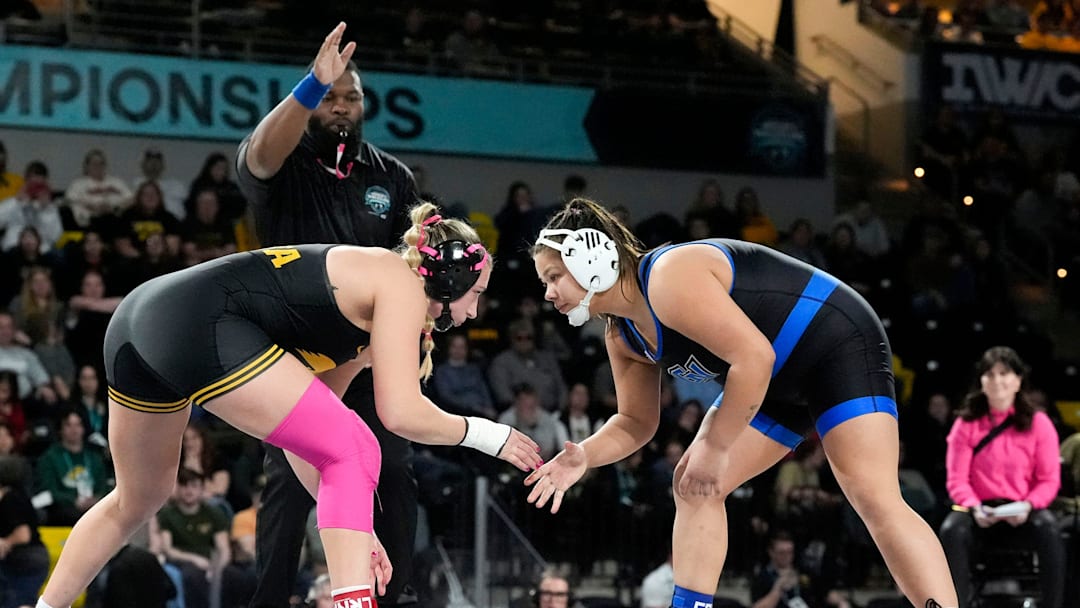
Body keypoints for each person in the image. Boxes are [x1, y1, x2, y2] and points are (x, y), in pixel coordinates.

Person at [34, 204, 542, 608]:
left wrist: (355, 528)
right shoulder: (400, 281)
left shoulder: (367, 317)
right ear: (448, 279)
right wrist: (489, 435)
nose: (475, 311)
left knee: (139, 497)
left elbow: (308, 442)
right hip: (196, 323)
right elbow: (401, 414)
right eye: (475, 293)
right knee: (358, 445)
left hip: (140, 321)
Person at [523, 198, 958, 608]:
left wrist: (714, 448)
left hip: (834, 342)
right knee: (692, 484)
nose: (547, 293)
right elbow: (636, 421)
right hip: (773, 378)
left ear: (589, 257)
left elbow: (754, 358)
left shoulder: (669, 277)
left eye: (553, 277)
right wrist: (585, 457)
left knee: (872, 496)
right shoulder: (623, 336)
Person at [235, 22, 423, 608]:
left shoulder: (394, 178)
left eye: (351, 98)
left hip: (367, 352)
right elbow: (258, 158)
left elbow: (410, 271)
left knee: (393, 471)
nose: (341, 108)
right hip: (289, 352)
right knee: (289, 488)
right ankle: (269, 600)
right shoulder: (286, 164)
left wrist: (413, 345)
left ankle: (396, 599)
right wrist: (309, 88)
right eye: (331, 99)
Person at [938, 346, 1064, 608]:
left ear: (1018, 380)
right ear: (981, 382)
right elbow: (956, 480)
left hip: (1023, 511)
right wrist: (974, 507)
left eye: (1004, 373)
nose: (997, 381)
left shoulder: (1039, 423)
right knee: (951, 529)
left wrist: (1029, 505)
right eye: (989, 374)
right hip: (980, 512)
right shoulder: (966, 423)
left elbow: (1049, 480)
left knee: (1050, 528)